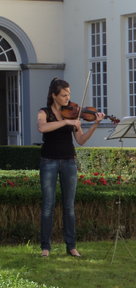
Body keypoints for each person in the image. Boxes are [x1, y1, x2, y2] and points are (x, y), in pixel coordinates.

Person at [37, 77, 105, 257]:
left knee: (69, 207)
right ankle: (45, 247)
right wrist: (66, 122)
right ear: (54, 96)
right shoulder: (44, 112)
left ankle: (71, 246)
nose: (68, 98)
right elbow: (42, 128)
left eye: (69, 95)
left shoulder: (73, 114)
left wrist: (95, 125)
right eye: (64, 95)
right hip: (48, 161)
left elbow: (81, 140)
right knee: (48, 205)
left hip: (69, 162)